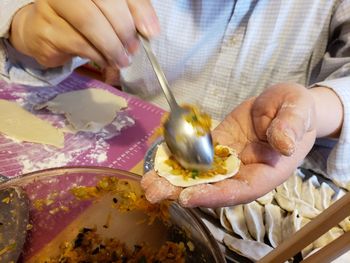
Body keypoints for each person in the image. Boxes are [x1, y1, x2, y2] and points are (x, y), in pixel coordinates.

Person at [0, 0, 349, 208]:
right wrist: (25, 27)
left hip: (282, 177)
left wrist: (314, 110)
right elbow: (31, 47)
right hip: (132, 153)